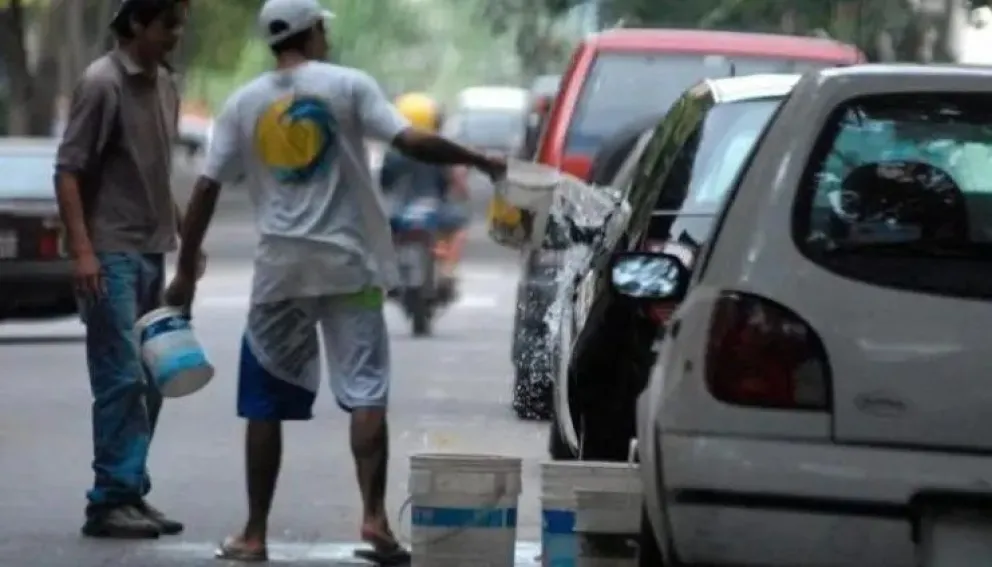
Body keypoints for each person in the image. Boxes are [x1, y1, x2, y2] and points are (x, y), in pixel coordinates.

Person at [162, 0, 505, 561]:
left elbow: (204, 189)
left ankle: (254, 534)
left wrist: (185, 273)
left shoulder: (244, 103)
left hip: (280, 272)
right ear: (314, 31)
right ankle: (373, 520)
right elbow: (410, 141)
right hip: (351, 267)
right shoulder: (348, 85)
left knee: (265, 402)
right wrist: (480, 160)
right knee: (366, 390)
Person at [53, 0, 189, 539]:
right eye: (167, 25)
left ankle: (129, 488)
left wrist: (186, 232)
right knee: (121, 377)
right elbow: (68, 172)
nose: (175, 36)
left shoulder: (164, 85)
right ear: (136, 23)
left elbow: (153, 169)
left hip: (153, 247)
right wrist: (82, 251)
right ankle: (108, 500)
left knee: (156, 373)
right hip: (109, 250)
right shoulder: (102, 83)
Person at [380, 92, 471, 297]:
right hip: (434, 210)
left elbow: (383, 184)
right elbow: (455, 182)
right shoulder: (439, 151)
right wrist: (462, 191)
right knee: (459, 228)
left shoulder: (393, 152)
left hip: (397, 213)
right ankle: (448, 270)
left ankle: (387, 269)